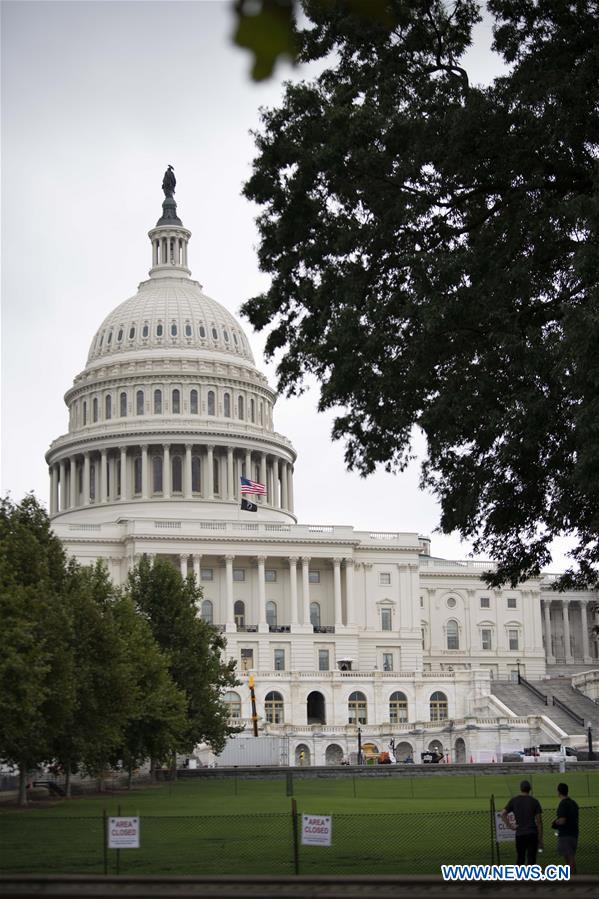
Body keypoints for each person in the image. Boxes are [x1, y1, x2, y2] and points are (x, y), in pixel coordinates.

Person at [501, 780, 544, 864]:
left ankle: (520, 875)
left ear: (521, 789)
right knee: (532, 858)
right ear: (530, 789)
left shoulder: (514, 800)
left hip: (520, 833)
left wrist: (510, 826)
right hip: (532, 833)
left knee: (520, 857)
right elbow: (539, 822)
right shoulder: (534, 801)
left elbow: (503, 814)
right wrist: (540, 838)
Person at [551, 782, 579, 874]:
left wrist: (555, 822)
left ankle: (572, 880)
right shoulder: (574, 803)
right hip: (574, 834)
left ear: (558, 792)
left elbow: (562, 820)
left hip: (565, 835)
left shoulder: (563, 804)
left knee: (569, 858)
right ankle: (574, 877)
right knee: (570, 858)